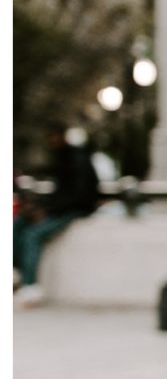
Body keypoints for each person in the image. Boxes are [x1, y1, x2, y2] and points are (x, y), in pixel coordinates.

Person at [14, 128, 103, 305]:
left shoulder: (76, 159)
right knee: (19, 224)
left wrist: (48, 211)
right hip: (61, 207)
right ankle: (15, 272)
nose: (51, 143)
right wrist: (41, 208)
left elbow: (77, 195)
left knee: (33, 235)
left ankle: (30, 285)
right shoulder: (64, 158)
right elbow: (61, 192)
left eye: (54, 139)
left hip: (74, 209)